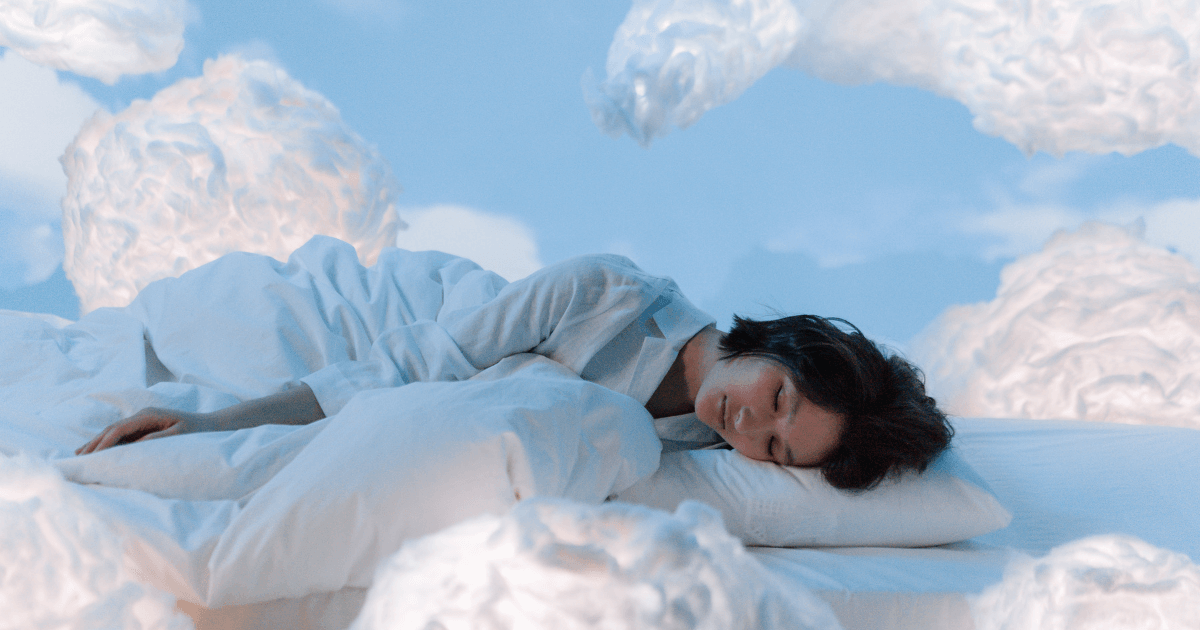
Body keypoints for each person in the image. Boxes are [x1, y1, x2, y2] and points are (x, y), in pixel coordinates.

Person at [76, 239, 952, 490]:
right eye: (780, 396)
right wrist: (216, 424)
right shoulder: (606, 290)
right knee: (233, 328)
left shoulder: (702, 451)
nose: (751, 427)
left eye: (784, 450)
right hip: (414, 329)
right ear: (777, 346)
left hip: (453, 388)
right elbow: (419, 358)